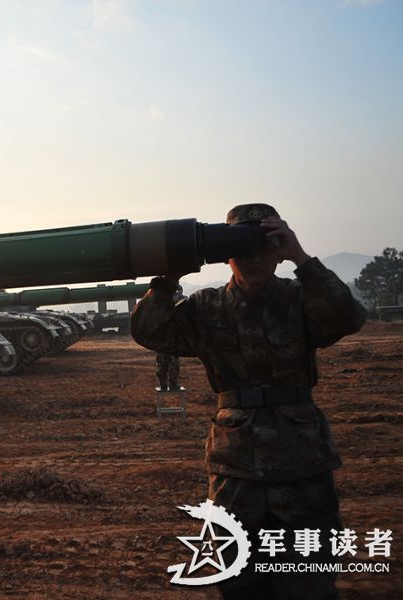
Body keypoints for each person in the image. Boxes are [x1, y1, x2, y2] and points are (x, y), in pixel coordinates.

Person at [131, 204, 367, 599]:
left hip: (301, 463)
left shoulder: (299, 298)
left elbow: (348, 317)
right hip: (236, 467)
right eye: (243, 248)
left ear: (278, 252)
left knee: (309, 579)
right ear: (227, 255)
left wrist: (302, 259)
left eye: (266, 246)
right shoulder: (206, 308)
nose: (255, 259)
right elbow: (149, 330)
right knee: (238, 579)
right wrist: (170, 274)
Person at [155, 285, 185, 391]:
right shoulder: (163, 302)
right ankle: (168, 384)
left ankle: (169, 384)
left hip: (168, 339)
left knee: (169, 364)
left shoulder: (162, 302)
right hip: (166, 339)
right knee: (166, 364)